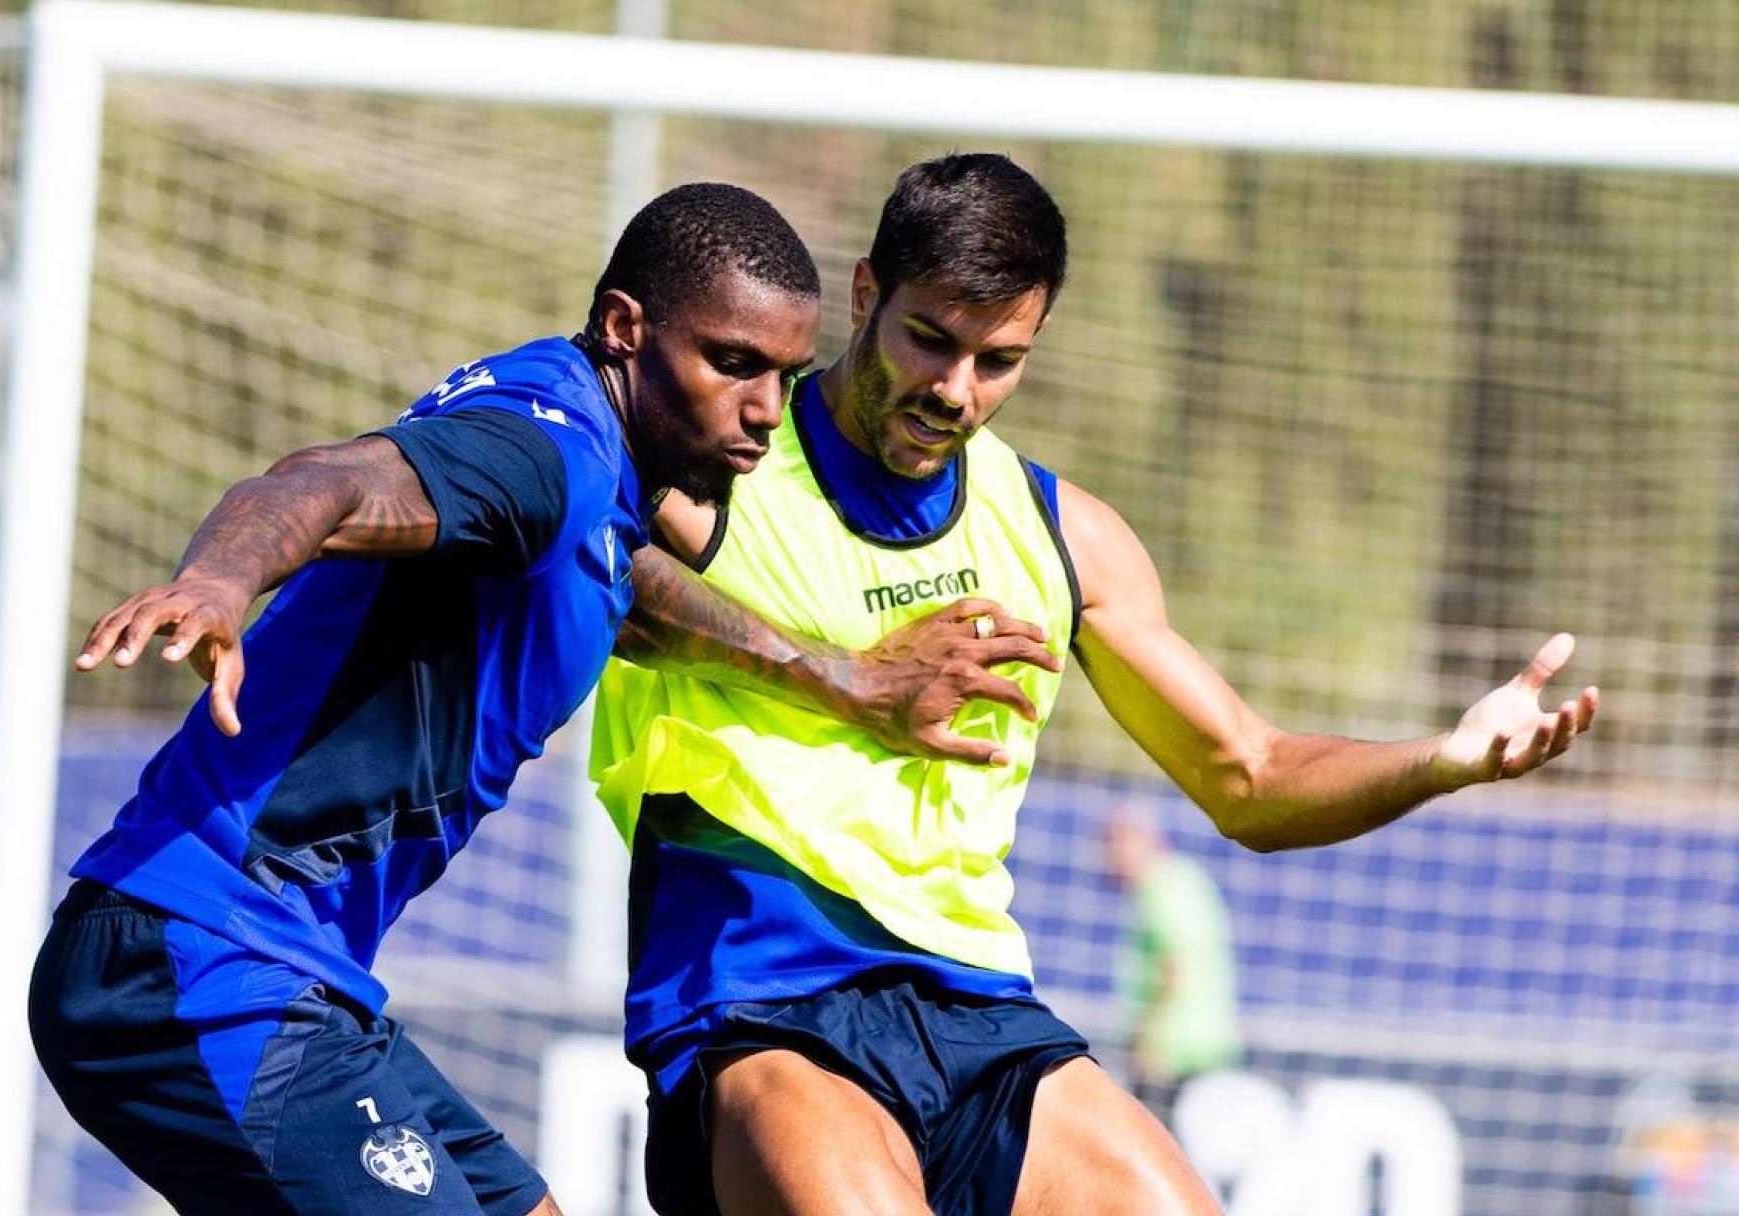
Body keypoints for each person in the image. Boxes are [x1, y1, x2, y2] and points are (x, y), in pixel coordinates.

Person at [593, 153, 1601, 1216]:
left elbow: (1248, 776)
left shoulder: (1058, 534)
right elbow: (584, 566)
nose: (954, 391)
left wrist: (1442, 760)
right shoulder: (717, 462)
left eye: (999, 360)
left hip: (980, 1011)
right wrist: (850, 679)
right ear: (862, 295)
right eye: (929, 339)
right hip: (763, 1000)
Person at [28, 182, 1017, 1216]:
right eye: (731, 363)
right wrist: (220, 582)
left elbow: (628, 586)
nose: (766, 410)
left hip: (294, 976)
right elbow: (326, 482)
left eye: (784, 375)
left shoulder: (588, 471)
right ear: (628, 328)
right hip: (190, 956)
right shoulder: (535, 450)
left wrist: (847, 679)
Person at [1104, 802, 1244, 1122]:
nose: (1107, 860)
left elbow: (1173, 967)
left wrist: (1149, 1041)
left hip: (1176, 1052)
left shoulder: (1161, 886)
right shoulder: (1184, 880)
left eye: (1113, 845)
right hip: (1203, 1045)